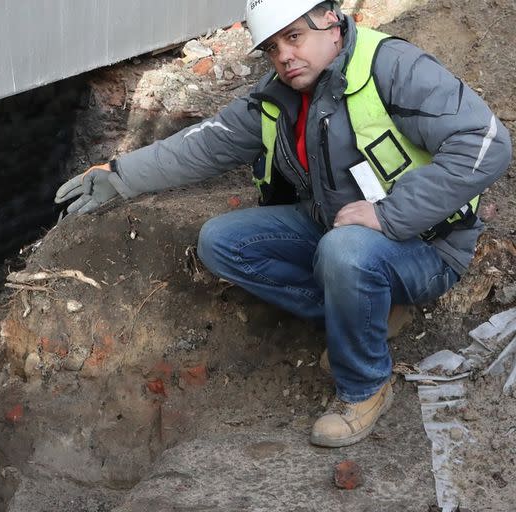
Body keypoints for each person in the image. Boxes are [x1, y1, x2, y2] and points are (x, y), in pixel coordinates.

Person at [54, 0, 512, 447]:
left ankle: (365, 386)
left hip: (426, 245)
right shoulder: (281, 93)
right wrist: (121, 175)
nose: (284, 56)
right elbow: (208, 143)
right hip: (338, 227)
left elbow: (486, 143)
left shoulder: (393, 66)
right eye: (272, 47)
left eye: (294, 37)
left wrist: (389, 214)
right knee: (222, 242)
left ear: (331, 22)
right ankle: (363, 315)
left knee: (345, 251)